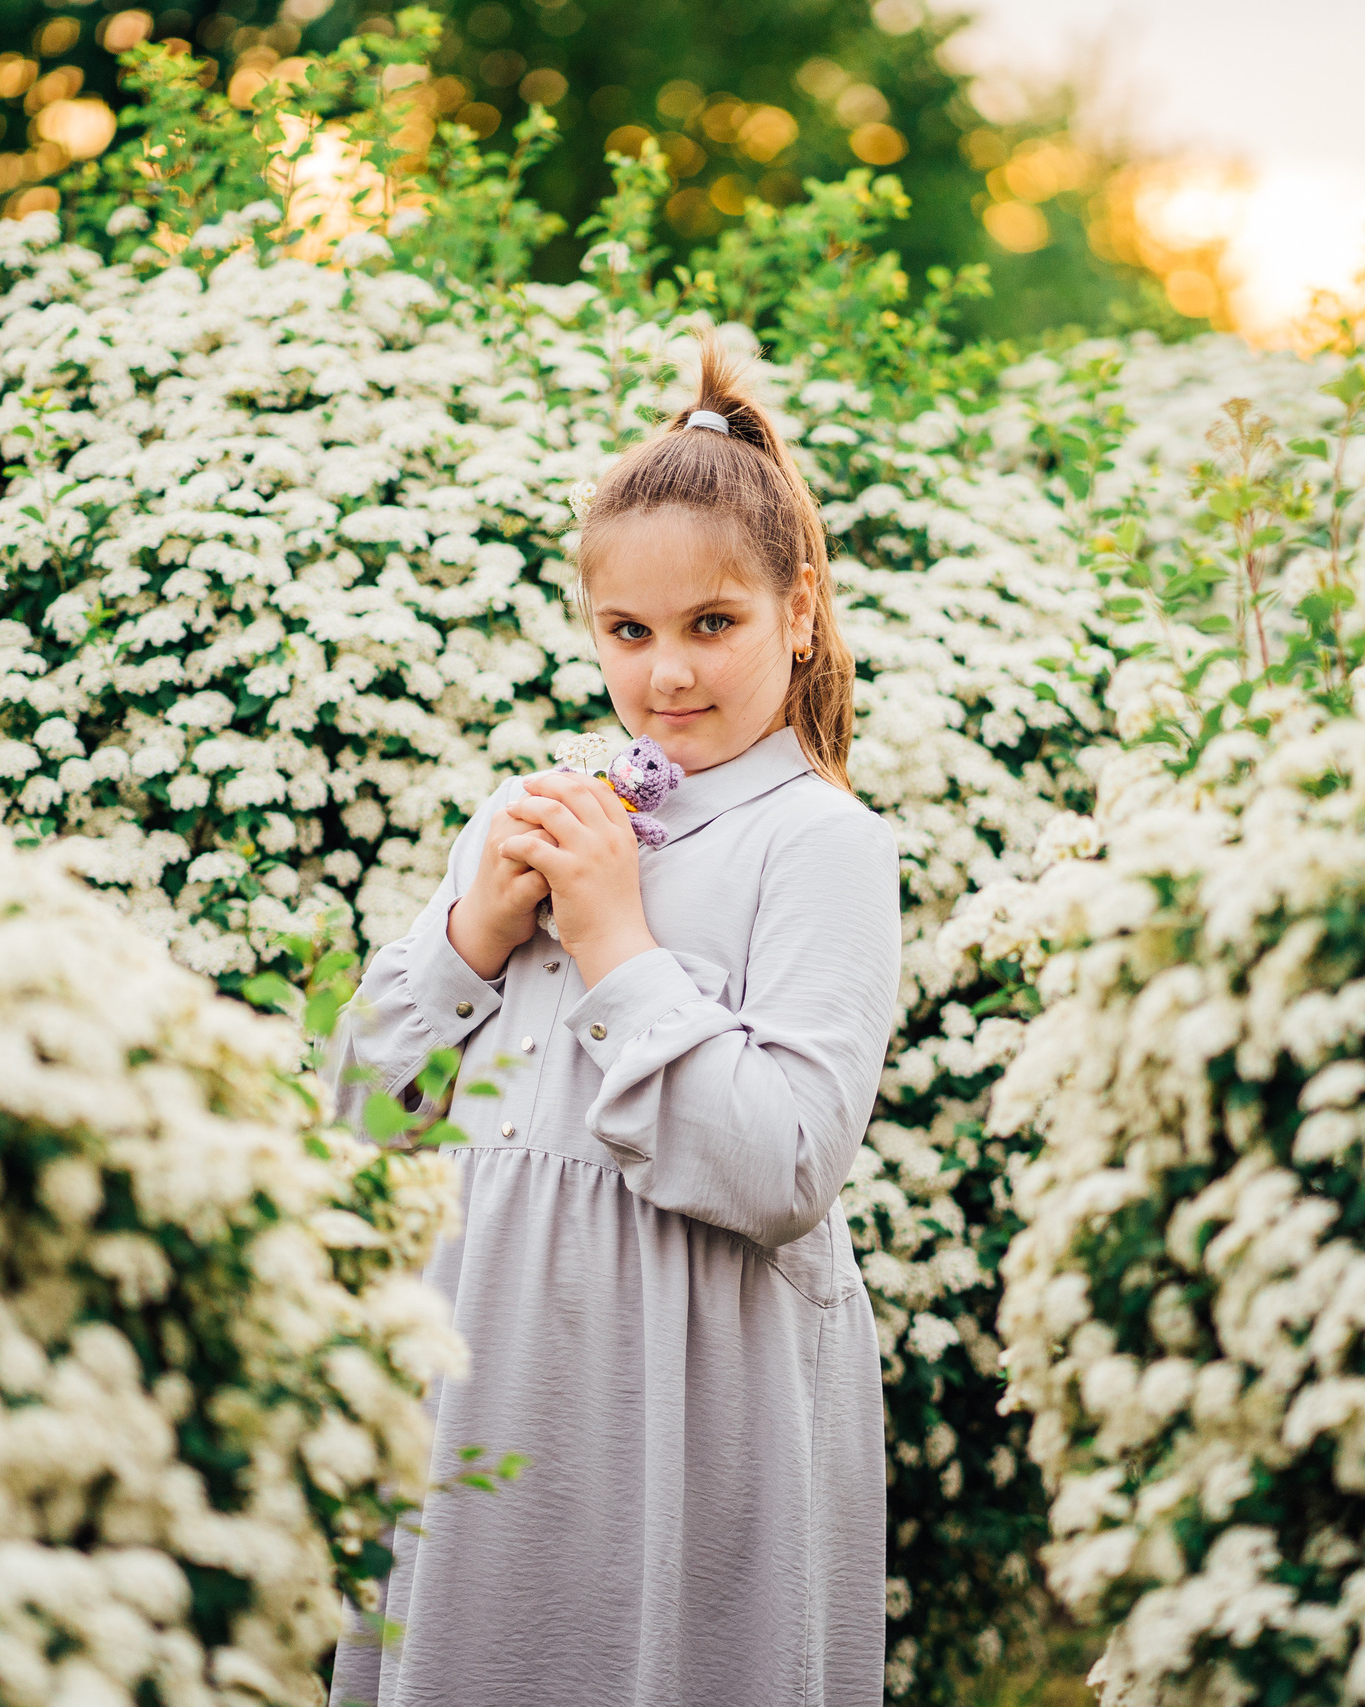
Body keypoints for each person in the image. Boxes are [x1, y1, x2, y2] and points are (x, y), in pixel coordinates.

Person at [325, 342, 899, 1707]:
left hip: (686, 1397)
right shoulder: (529, 819)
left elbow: (785, 1167)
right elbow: (362, 1121)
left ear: (798, 614)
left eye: (713, 624)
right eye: (627, 633)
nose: (667, 675)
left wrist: (613, 941)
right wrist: (474, 935)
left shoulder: (822, 841)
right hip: (484, 1365)